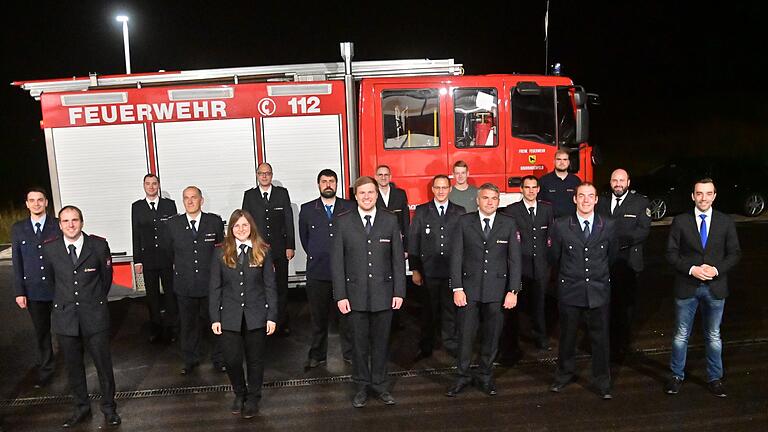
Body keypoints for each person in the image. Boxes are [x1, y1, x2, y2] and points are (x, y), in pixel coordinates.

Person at [41, 206, 121, 427]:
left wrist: (92, 302)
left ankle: (109, 408)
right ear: (59, 225)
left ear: (82, 222)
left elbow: (105, 279)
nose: (70, 225)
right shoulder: (50, 249)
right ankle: (81, 408)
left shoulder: (97, 246)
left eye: (75, 220)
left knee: (103, 366)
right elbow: (50, 282)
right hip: (66, 318)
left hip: (94, 316)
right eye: (65, 221)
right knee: (74, 367)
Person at [332, 176, 406, 408]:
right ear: (355, 196)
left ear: (377, 194)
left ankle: (381, 386)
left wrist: (399, 292)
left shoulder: (390, 220)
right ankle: (362, 386)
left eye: (370, 192)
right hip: (354, 296)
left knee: (382, 343)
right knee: (359, 345)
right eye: (362, 193)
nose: (366, 197)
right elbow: (337, 263)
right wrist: (340, 295)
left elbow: (397, 259)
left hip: (384, 294)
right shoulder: (343, 222)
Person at [664, 178, 741, 398]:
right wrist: (691, 269)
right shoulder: (680, 221)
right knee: (681, 335)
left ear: (714, 196)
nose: (703, 198)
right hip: (687, 286)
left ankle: (715, 378)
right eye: (699, 193)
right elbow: (671, 253)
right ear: (693, 196)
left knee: (713, 335)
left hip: (715, 287)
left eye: (708, 193)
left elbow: (734, 253)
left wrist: (716, 270)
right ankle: (676, 376)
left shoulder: (726, 222)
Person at [446, 183, 521, 397]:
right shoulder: (464, 222)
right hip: (468, 289)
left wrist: (513, 290)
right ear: (477, 201)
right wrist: (457, 288)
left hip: (498, 291)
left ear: (499, 202)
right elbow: (456, 257)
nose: (489, 202)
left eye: (494, 199)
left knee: (492, 335)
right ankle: (462, 376)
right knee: (466, 336)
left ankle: (486, 376)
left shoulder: (508, 223)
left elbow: (514, 260)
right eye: (485, 198)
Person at [548, 182, 615, 400]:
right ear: (575, 199)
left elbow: (611, 257)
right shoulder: (560, 225)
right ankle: (564, 375)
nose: (586, 200)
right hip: (571, 291)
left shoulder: (609, 225)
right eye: (582, 196)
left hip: (598, 291)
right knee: (567, 337)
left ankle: (602, 381)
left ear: (596, 200)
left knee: (601, 339)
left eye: (590, 196)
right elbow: (554, 258)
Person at [210, 209, 277, 419]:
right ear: (231, 229)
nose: (241, 229)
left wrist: (272, 315)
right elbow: (215, 287)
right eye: (236, 226)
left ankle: (254, 398)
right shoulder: (221, 252)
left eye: (245, 225)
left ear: (251, 227)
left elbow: (270, 287)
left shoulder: (263, 250)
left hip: (256, 314)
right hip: (229, 315)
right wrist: (215, 318)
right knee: (231, 359)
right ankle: (240, 393)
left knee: (255, 360)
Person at [166, 186, 226, 375]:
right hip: (185, 285)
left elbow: (221, 251)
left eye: (194, 197)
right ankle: (189, 359)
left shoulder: (213, 222)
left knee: (215, 324)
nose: (190, 201)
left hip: (210, 285)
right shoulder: (173, 224)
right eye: (186, 198)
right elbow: (169, 253)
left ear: (201, 200)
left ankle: (219, 359)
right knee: (188, 325)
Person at [298, 169, 354, 369]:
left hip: (345, 273)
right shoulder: (307, 209)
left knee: (347, 318)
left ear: (337, 184)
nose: (328, 184)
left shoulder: (349, 207)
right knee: (318, 318)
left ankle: (350, 353)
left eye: (332, 181)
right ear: (318, 185)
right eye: (324, 181)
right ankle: (317, 355)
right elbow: (306, 240)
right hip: (318, 271)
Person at [596, 168, 651, 360]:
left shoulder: (640, 203)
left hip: (629, 263)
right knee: (606, 304)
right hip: (605, 263)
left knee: (626, 306)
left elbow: (644, 231)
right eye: (614, 180)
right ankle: (607, 342)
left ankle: (623, 344)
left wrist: (620, 241)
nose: (618, 184)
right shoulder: (601, 201)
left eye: (621, 180)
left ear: (628, 182)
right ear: (610, 182)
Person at [408, 175, 465, 359]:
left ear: (450, 189)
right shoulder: (422, 211)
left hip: (451, 271)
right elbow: (414, 241)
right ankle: (426, 345)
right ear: (433, 189)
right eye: (437, 188)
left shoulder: (460, 211)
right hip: (428, 270)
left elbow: (465, 242)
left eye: (444, 187)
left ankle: (451, 343)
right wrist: (415, 269)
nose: (441, 191)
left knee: (451, 310)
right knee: (428, 310)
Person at [11, 187, 60, 389]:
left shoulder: (57, 225)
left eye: (40, 200)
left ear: (46, 202)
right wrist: (19, 291)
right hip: (34, 291)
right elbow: (17, 262)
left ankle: (74, 365)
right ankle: (47, 370)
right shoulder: (18, 229)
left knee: (66, 330)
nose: (36, 204)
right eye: (32, 200)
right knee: (42, 332)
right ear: (27, 204)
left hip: (58, 288)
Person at [500, 175, 554, 353]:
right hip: (519, 266)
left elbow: (550, 236)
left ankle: (541, 338)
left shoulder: (547, 209)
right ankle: (512, 341)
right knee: (515, 305)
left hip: (541, 266)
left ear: (538, 189)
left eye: (534, 187)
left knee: (540, 304)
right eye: (527, 187)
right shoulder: (511, 210)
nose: (531, 191)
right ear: (521, 189)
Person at [242, 162, 295, 336]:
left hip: (279, 249)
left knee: (280, 286)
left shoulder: (282, 193)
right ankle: (260, 321)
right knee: (258, 287)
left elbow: (288, 220)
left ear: (272, 175)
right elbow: (245, 222)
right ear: (257, 175)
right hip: (257, 250)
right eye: (261, 173)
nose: (264, 176)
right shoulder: (249, 195)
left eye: (267, 173)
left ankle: (282, 322)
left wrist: (290, 246)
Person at [131, 173, 179, 343]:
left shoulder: (169, 205)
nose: (151, 187)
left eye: (154, 183)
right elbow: (136, 234)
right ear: (143, 186)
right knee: (152, 296)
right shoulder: (137, 207)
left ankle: (173, 328)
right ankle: (155, 328)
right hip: (148, 258)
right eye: (148, 184)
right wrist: (137, 260)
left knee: (170, 294)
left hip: (167, 257)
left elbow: (174, 232)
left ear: (158, 185)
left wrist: (176, 258)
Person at [374, 165, 410, 251]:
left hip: (397, 240)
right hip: (377, 241)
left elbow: (406, 221)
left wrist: (406, 247)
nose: (383, 177)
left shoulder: (400, 194)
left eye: (386, 175)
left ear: (390, 177)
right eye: (380, 175)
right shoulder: (371, 194)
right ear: (375, 177)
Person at [539, 149, 581, 218]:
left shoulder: (576, 181)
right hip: (551, 222)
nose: (562, 162)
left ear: (568, 162)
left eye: (565, 160)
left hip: (571, 222)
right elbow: (539, 203)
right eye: (559, 159)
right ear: (554, 161)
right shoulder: (544, 181)